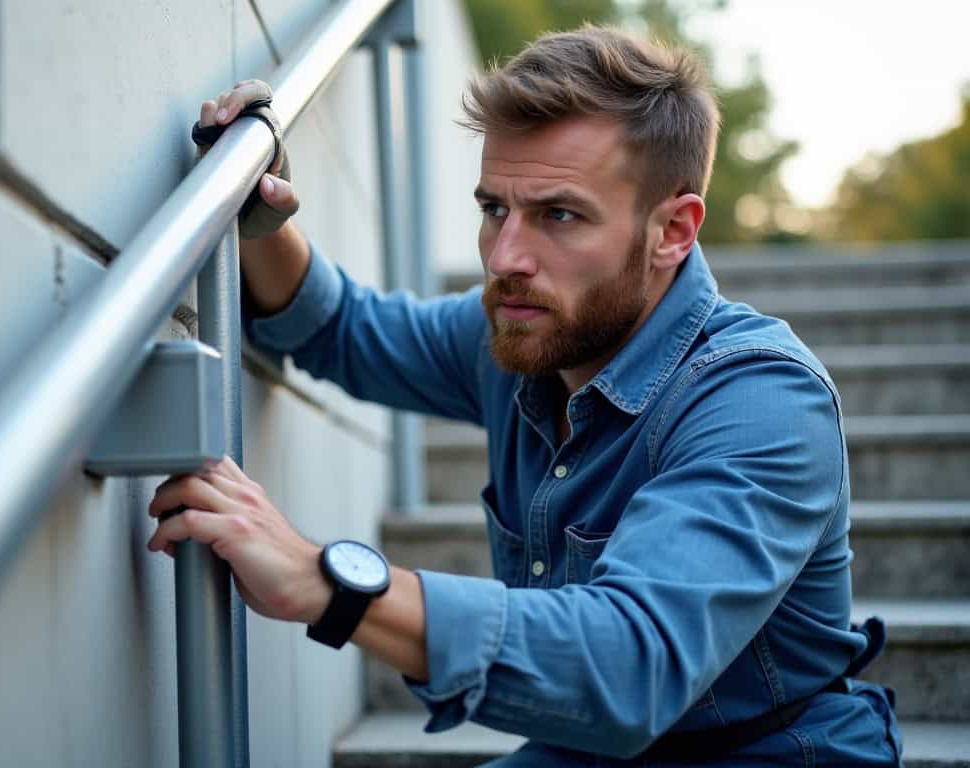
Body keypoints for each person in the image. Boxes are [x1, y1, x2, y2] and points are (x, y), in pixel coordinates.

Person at [147, 26, 902, 765]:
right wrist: (259, 207)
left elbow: (627, 667)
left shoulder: (759, 397)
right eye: (493, 209)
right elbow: (337, 328)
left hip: (770, 750)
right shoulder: (521, 335)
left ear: (673, 231)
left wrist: (329, 584)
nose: (505, 258)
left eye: (559, 215)